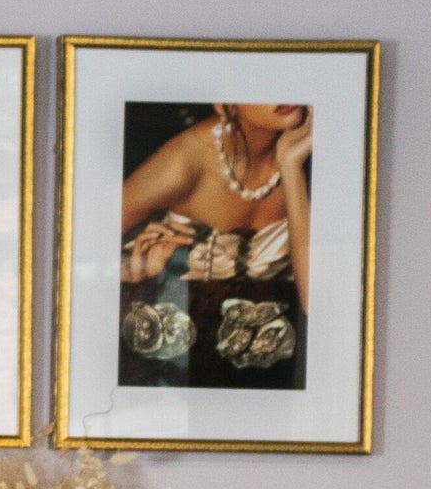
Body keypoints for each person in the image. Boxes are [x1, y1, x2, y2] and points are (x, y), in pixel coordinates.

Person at [115, 101, 311, 389]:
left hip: (279, 373)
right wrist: (131, 270)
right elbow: (75, 248)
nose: (284, 91)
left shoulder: (314, 150)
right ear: (224, 103)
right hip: (178, 375)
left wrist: (292, 168)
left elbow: (316, 303)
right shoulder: (185, 161)